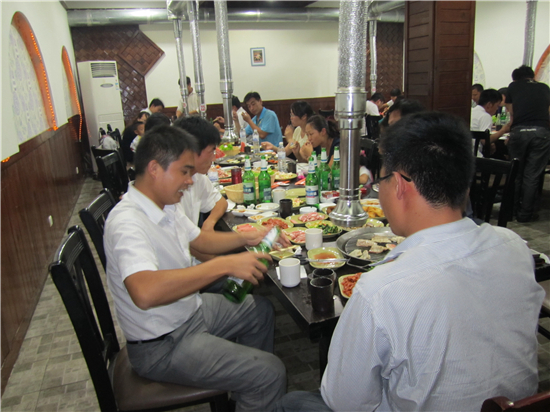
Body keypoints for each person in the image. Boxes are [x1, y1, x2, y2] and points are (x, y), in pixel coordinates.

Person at [275, 112, 544, 412]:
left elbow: (344, 400)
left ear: (400, 185)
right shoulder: (514, 248)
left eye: (381, 181)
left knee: (291, 402)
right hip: (516, 405)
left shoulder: (381, 289)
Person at [104, 125, 287, 412]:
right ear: (154, 169)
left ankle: (248, 396)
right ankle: (257, 387)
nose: (190, 181)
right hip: (162, 344)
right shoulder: (127, 222)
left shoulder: (164, 206)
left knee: (259, 311)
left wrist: (249, 236)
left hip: (189, 312)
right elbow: (144, 292)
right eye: (184, 172)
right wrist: (225, 265)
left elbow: (200, 240)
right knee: (270, 372)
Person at [172, 116, 228, 262]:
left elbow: (221, 202)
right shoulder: (169, 191)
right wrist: (226, 265)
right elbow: (189, 246)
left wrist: (209, 223)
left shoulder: (197, 176)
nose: (214, 158)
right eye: (211, 151)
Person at [505, 65, 550, 222]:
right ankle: (525, 214)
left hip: (519, 131)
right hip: (541, 133)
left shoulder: (513, 87)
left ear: (515, 78)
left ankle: (510, 211)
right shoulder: (544, 88)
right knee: (532, 175)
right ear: (532, 76)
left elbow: (512, 113)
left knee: (516, 172)